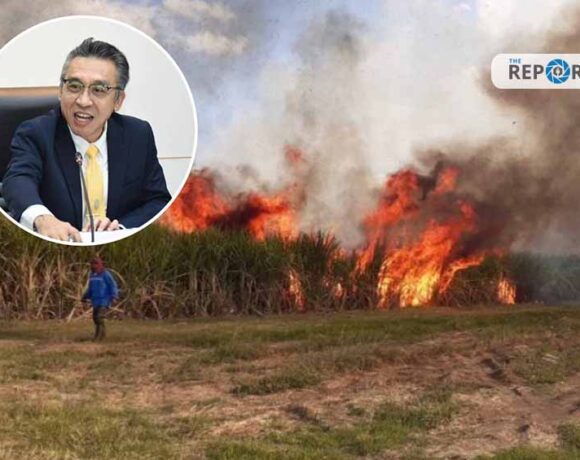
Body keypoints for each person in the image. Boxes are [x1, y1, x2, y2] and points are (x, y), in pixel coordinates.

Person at [3, 37, 171, 242]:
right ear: (60, 90)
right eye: (74, 86)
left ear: (118, 100)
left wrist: (120, 228)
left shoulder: (138, 134)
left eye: (99, 90)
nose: (83, 101)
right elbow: (17, 180)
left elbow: (158, 201)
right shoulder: (36, 133)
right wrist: (42, 218)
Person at [82, 257, 118, 341]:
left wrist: (114, 296)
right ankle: (101, 335)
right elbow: (91, 288)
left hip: (104, 300)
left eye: (96, 264)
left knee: (99, 317)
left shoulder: (106, 274)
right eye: (92, 264)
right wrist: (85, 296)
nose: (94, 266)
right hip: (95, 301)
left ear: (100, 264)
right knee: (95, 318)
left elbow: (112, 285)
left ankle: (99, 337)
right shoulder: (92, 276)